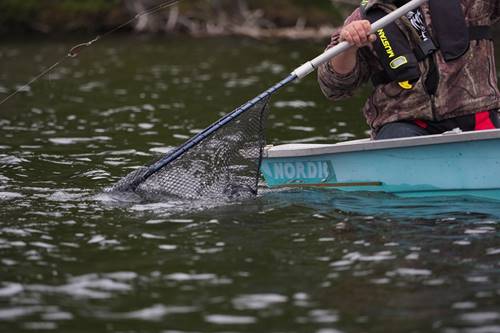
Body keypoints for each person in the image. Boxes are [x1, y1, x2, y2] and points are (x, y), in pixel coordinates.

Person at [318, 0, 500, 140]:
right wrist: (349, 46)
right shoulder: (360, 20)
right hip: (404, 123)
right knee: (399, 139)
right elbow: (333, 87)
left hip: (477, 115)